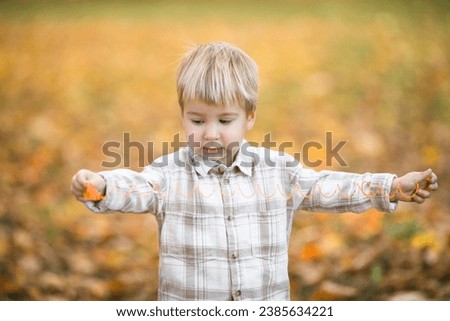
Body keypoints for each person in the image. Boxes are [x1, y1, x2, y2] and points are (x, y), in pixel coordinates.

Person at [70, 41, 438, 301]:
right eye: (197, 120)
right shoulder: (168, 175)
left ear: (250, 117)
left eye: (225, 120)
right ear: (183, 115)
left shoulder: (277, 172)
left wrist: (390, 187)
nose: (210, 132)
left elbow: (329, 187)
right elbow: (137, 186)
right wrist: (102, 186)